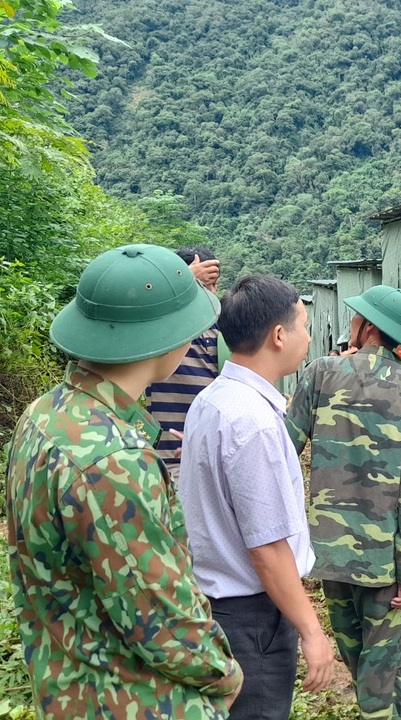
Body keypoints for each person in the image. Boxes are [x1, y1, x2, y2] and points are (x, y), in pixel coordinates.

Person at [4, 244, 243, 719]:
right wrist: (224, 675)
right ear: (169, 337)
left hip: (69, 687)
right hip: (135, 700)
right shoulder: (113, 458)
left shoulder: (46, 413)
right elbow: (162, 622)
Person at [177, 275, 334, 720]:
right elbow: (266, 547)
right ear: (279, 336)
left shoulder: (212, 400)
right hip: (252, 619)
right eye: (304, 325)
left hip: (216, 604)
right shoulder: (253, 423)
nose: (308, 336)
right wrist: (311, 630)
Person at [286, 284, 401, 720]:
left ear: (368, 327)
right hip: (384, 557)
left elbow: (280, 450)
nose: (350, 323)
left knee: (358, 647)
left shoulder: (319, 373)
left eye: (355, 318)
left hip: (329, 550)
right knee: (384, 653)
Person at [145, 246, 224, 481]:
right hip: (166, 466)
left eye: (212, 285)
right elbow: (141, 316)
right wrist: (185, 281)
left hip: (211, 465)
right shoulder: (162, 333)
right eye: (202, 285)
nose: (210, 294)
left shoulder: (224, 331)